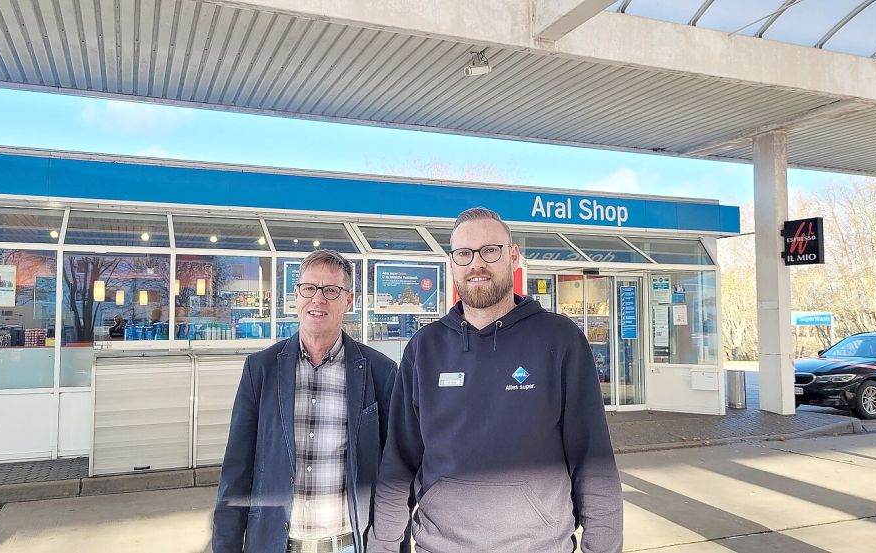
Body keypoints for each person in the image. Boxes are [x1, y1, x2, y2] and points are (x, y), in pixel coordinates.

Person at [369, 207, 623, 553]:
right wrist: (382, 546)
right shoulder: (424, 349)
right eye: (464, 254)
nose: (477, 264)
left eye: (490, 250)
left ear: (513, 257)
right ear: (452, 264)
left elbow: (594, 463)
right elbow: (398, 466)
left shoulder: (560, 339)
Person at [213, 250, 400, 553]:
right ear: (296, 296)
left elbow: (396, 473)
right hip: (276, 545)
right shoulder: (260, 370)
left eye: (331, 290)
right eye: (309, 288)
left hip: (349, 545)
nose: (318, 299)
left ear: (348, 301)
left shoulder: (381, 372)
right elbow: (236, 472)